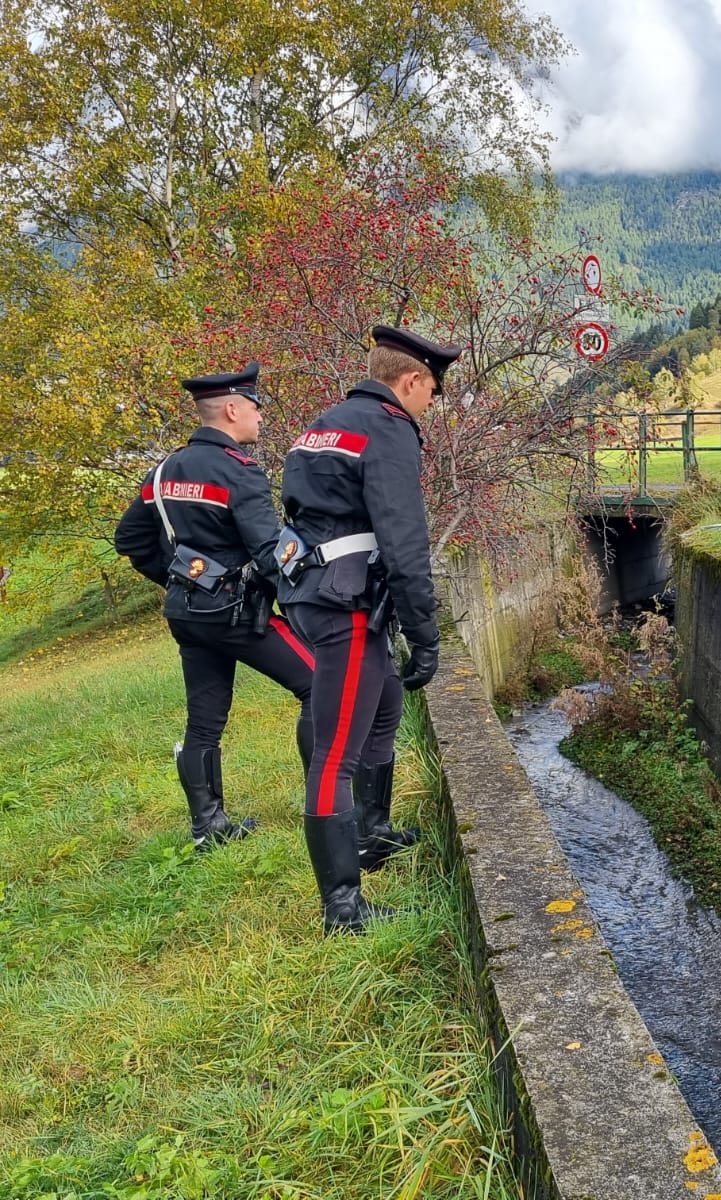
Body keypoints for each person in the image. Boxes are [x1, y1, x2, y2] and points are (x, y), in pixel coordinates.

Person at [277, 325, 459, 934]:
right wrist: (425, 634)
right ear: (410, 381)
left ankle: (373, 834)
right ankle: (344, 909)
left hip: (314, 589)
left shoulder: (324, 423)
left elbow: (303, 513)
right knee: (334, 756)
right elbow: (406, 542)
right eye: (433, 388)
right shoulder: (387, 428)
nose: (433, 401)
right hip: (343, 607)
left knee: (384, 703)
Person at [114, 363, 315, 851]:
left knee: (204, 719)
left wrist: (182, 578)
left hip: (188, 614)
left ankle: (208, 826)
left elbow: (130, 539)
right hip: (238, 616)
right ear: (231, 409)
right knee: (319, 681)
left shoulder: (162, 472)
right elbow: (272, 557)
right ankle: (327, 803)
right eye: (255, 407)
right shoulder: (239, 473)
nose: (260, 417)